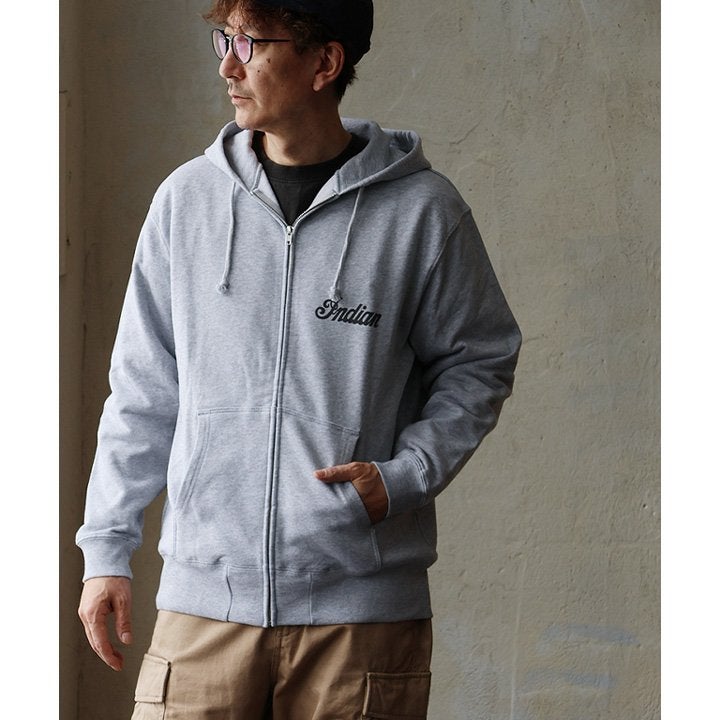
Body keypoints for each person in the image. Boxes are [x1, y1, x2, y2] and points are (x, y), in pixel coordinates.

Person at [76, 1, 522, 717]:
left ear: (325, 62)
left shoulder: (422, 213)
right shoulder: (187, 203)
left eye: (251, 43)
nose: (228, 65)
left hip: (361, 617)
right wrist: (106, 549)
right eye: (224, 39)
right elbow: (142, 391)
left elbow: (480, 361)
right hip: (205, 605)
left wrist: (404, 477)